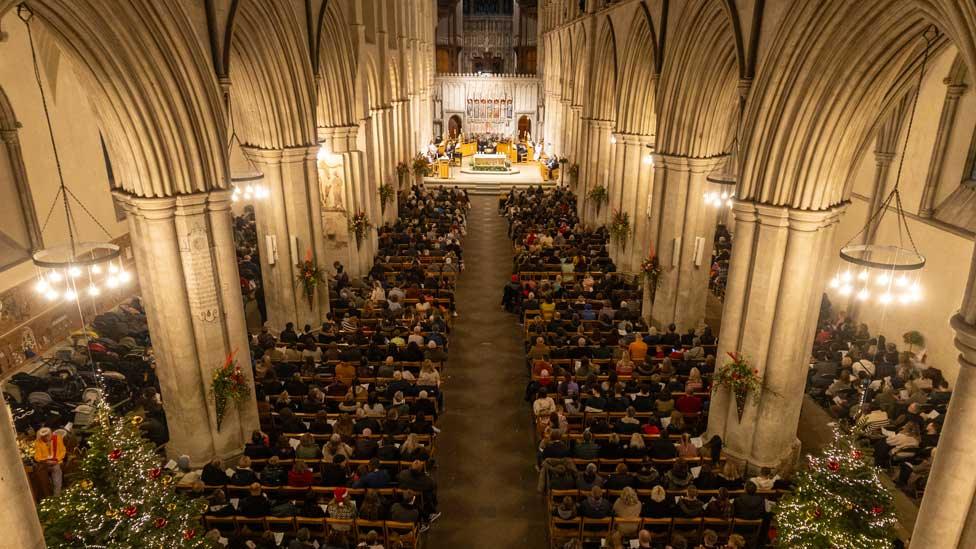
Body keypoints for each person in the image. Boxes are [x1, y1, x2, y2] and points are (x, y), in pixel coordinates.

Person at [34, 427, 66, 495]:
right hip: (45, 464)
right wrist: (46, 461)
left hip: (56, 462)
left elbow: (63, 451)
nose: (46, 437)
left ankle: (56, 496)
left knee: (56, 471)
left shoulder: (57, 438)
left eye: (47, 435)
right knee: (40, 474)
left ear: (51, 434)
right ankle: (47, 495)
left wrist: (56, 459)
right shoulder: (38, 442)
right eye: (44, 436)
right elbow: (37, 457)